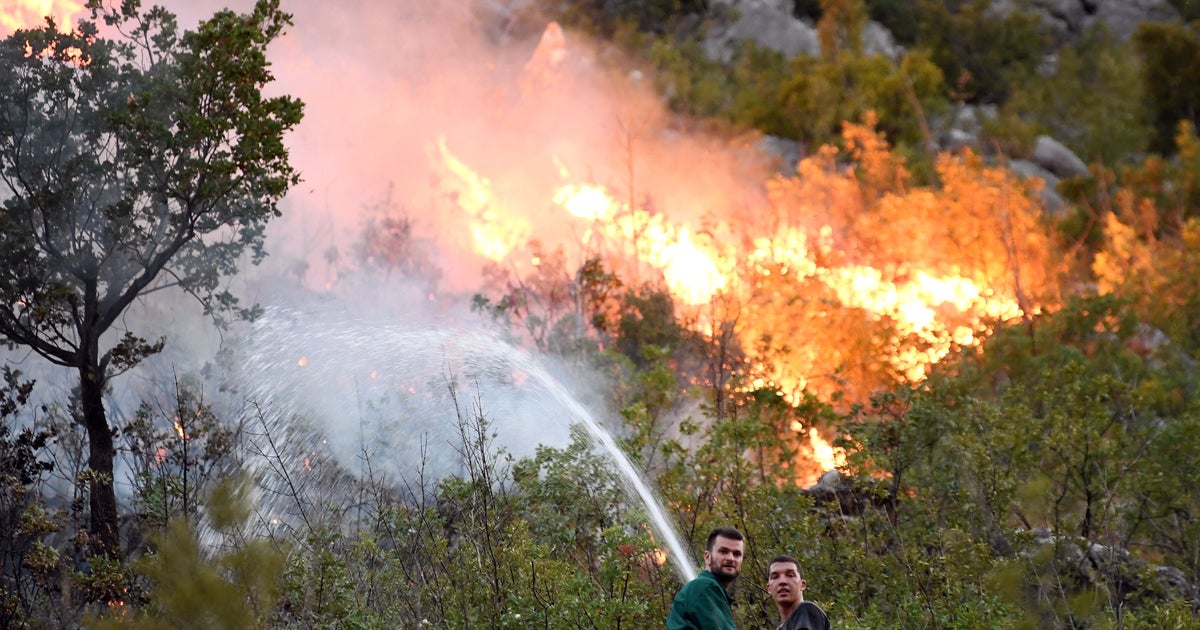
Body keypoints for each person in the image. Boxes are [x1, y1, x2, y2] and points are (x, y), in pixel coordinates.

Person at [666, 526, 745, 630]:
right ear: (707, 557)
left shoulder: (707, 589)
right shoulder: (705, 587)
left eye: (737, 554)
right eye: (723, 551)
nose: (730, 558)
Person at [766, 555, 831, 630]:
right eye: (775, 577)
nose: (782, 581)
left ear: (802, 585)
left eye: (790, 575)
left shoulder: (806, 610)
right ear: (769, 588)